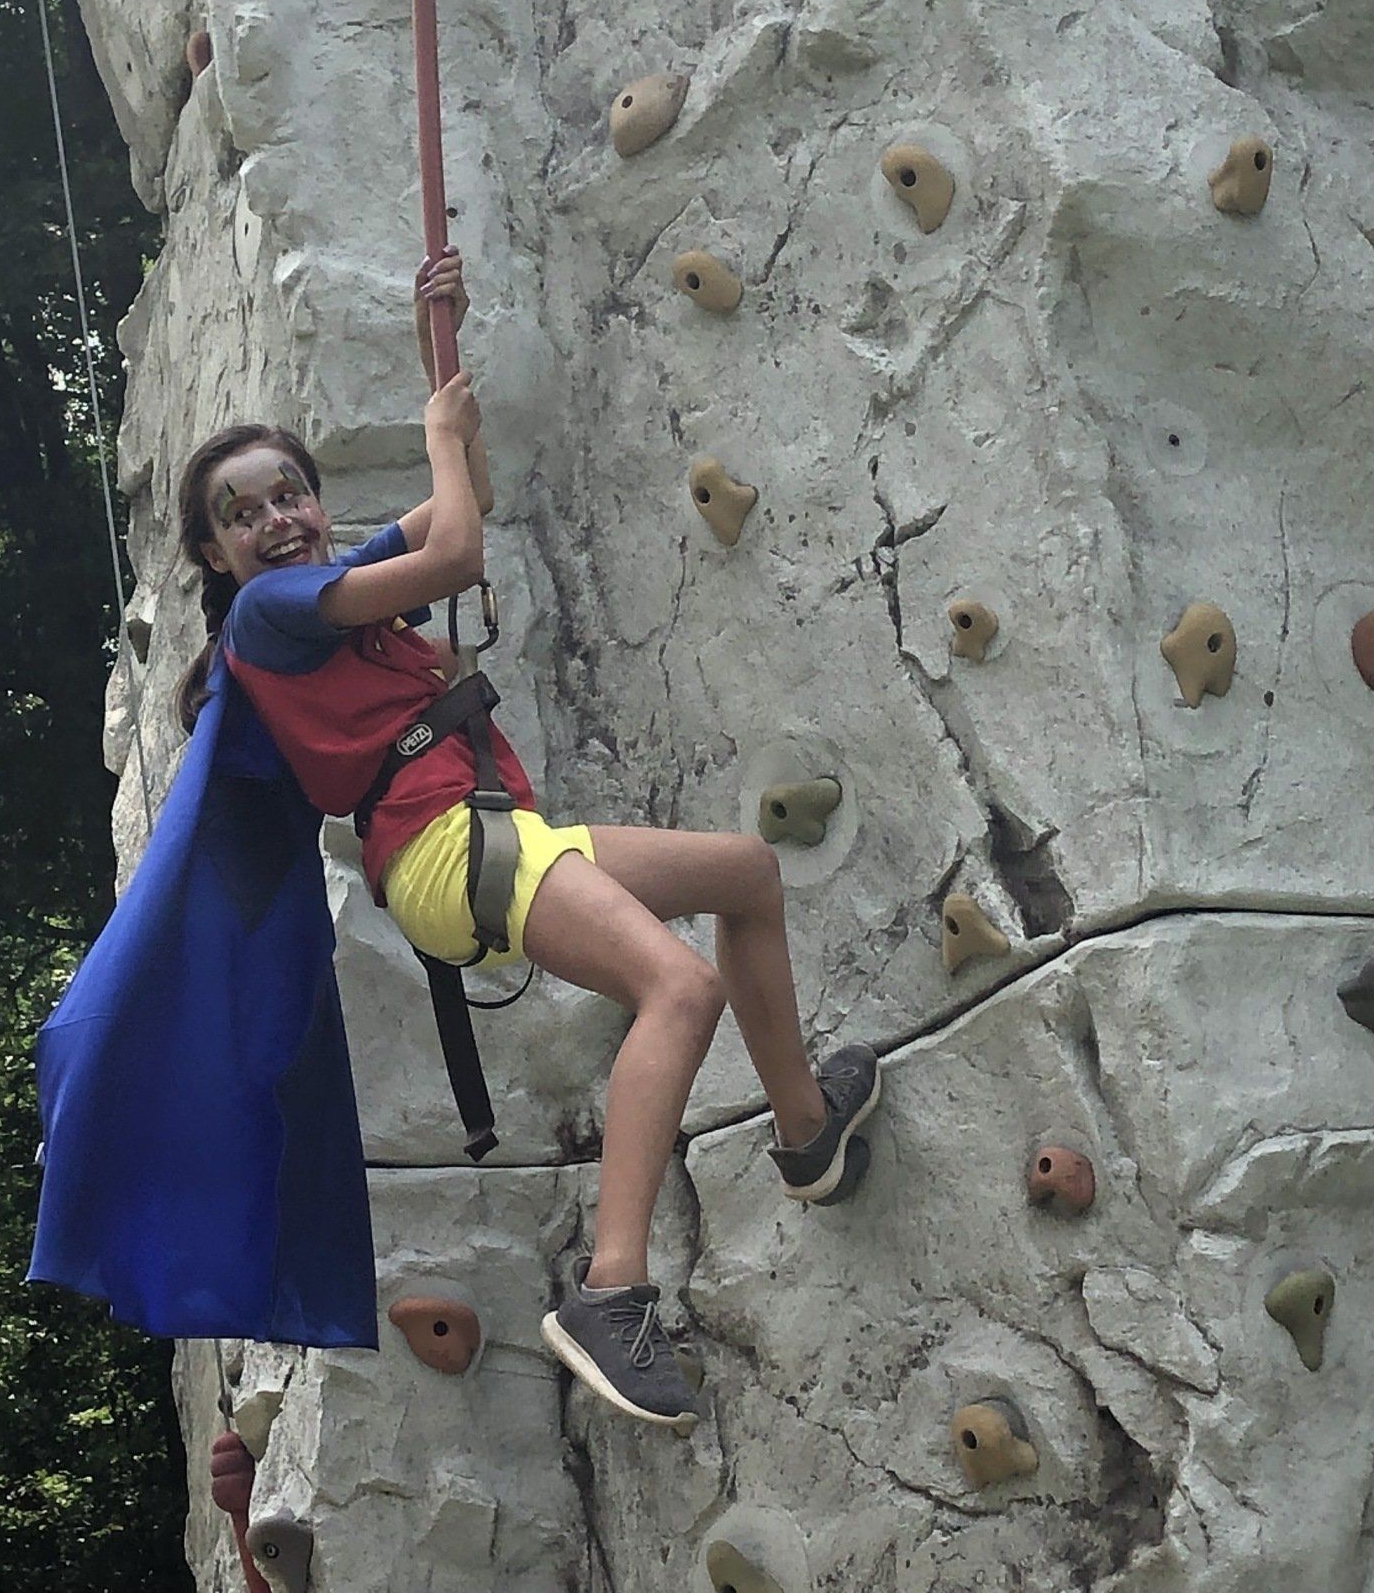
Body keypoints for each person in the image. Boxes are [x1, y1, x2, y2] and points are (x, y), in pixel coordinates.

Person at [170, 247, 881, 1431]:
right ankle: (612, 1291)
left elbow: (470, 504)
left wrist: (434, 357)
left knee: (746, 875)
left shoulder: (328, 578)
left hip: (493, 835)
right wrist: (436, 436)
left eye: (287, 492)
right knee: (678, 990)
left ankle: (804, 1132)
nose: (273, 519)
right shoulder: (268, 611)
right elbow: (454, 553)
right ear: (214, 555)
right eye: (240, 514)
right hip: (452, 850)